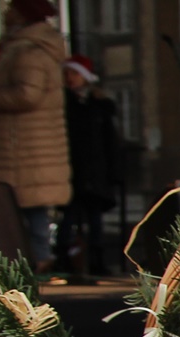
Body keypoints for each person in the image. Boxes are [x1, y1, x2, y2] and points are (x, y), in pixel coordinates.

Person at [0, 0, 69, 269]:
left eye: (12, 9)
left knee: (29, 206)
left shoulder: (29, 52)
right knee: (27, 207)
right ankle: (33, 259)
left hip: (23, 146)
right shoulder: (31, 48)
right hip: (25, 144)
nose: (6, 14)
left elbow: (27, 95)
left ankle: (38, 260)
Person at [55, 52, 117, 275]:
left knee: (95, 219)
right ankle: (63, 258)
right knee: (69, 217)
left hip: (95, 172)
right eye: (67, 74)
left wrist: (113, 171)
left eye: (74, 73)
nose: (70, 78)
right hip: (73, 171)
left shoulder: (99, 105)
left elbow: (109, 141)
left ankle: (97, 261)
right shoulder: (63, 103)